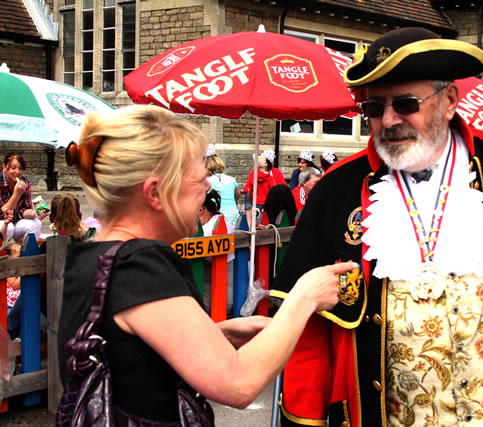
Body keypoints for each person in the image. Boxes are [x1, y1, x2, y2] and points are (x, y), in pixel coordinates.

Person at [272, 27, 483, 427]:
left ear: (450, 100)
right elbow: (311, 345)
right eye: (374, 108)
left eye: (405, 103)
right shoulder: (335, 192)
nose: (388, 120)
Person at [57, 104, 357, 423]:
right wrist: (304, 297)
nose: (207, 188)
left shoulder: (97, 253)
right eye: (199, 180)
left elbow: (127, 354)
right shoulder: (140, 264)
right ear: (156, 193)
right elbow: (239, 383)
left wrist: (219, 334)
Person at [199, 188, 235, 314]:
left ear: (200, 210)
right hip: (233, 298)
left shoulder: (205, 232)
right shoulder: (224, 222)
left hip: (214, 302)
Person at [0, 153, 48, 240]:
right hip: (2, 223)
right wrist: (16, 194)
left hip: (15, 222)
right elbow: (2, 213)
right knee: (9, 226)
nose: (17, 172)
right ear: (4, 166)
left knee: (36, 223)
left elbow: (24, 210)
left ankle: (24, 251)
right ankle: (4, 252)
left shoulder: (24, 182)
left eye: (21, 168)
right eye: (13, 168)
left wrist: (35, 213)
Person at [206, 155, 241, 226]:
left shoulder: (207, 181)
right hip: (232, 212)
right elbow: (238, 195)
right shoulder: (231, 179)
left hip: (216, 213)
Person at [243, 155, 276, 225]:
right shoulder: (269, 177)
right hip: (265, 203)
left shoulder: (252, 175)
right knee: (264, 223)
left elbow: (247, 190)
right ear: (265, 166)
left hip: (255, 203)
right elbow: (273, 190)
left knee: (254, 224)